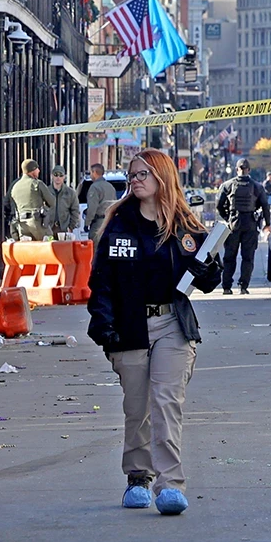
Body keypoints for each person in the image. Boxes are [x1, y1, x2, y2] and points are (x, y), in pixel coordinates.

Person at [86, 149, 222, 516]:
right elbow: (101, 282)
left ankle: (170, 484)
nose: (136, 180)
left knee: (166, 403)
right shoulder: (118, 224)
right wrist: (103, 325)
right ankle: (138, 476)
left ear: (162, 176)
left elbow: (209, 277)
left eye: (143, 173)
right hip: (130, 326)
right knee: (138, 408)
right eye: (132, 175)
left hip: (172, 325)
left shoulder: (184, 225)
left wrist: (208, 269)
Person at [216, 158, 271, 295]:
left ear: (237, 169)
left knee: (229, 257)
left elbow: (219, 205)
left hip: (233, 224)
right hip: (250, 224)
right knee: (248, 257)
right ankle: (243, 286)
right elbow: (265, 206)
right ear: (249, 170)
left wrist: (227, 218)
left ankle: (227, 287)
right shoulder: (257, 187)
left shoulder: (227, 185)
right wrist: (267, 224)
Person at [10, 159, 54, 241]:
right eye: (37, 168)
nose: (39, 170)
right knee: (49, 242)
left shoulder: (15, 187)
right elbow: (52, 202)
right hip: (37, 223)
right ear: (32, 170)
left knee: (28, 249)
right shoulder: (37, 184)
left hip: (22, 225)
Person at [46, 165, 82, 237]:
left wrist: (71, 226)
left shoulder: (70, 193)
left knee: (64, 247)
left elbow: (75, 211)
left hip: (64, 228)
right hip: (49, 228)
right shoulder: (46, 191)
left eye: (61, 175)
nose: (58, 177)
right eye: (56, 175)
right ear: (52, 176)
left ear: (64, 177)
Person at [86, 163, 118, 235]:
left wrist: (87, 223)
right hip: (109, 222)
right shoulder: (110, 186)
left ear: (94, 173)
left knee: (96, 243)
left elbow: (92, 207)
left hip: (98, 223)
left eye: (91, 172)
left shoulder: (94, 187)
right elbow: (115, 205)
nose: (90, 175)